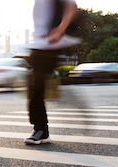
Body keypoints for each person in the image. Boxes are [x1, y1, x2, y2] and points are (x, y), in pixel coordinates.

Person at [26, 0, 79, 145]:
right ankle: (41, 129)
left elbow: (71, 7)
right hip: (40, 43)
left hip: (52, 42)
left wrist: (60, 30)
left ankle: (41, 130)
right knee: (35, 87)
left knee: (36, 87)